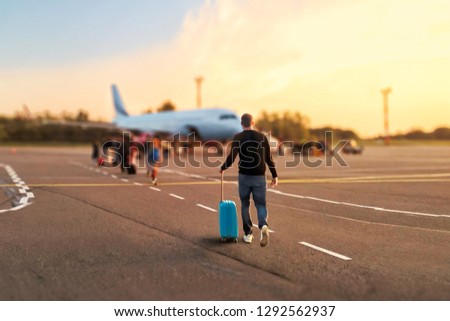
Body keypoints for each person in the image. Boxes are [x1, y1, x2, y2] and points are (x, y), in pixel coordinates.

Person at [220, 113, 278, 247]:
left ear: (241, 123)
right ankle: (263, 225)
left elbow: (232, 157)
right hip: (259, 176)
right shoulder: (262, 137)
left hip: (244, 175)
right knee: (261, 205)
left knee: (245, 205)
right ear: (253, 123)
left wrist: (223, 167)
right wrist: (274, 176)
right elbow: (269, 159)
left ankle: (248, 234)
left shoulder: (238, 138)